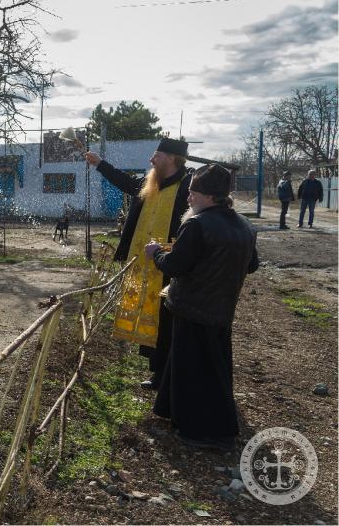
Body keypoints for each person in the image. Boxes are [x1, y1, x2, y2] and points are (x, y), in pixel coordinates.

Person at [145, 164, 259, 450]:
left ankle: (203, 431)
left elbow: (175, 266)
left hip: (192, 308)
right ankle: (172, 410)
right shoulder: (245, 226)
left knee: (195, 372)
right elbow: (252, 265)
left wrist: (155, 253)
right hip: (221, 310)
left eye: (192, 193)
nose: (188, 198)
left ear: (209, 196)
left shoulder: (197, 224)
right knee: (211, 367)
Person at [86, 137, 191, 389]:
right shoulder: (150, 182)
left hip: (170, 264)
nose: (151, 159)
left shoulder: (187, 186)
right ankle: (157, 372)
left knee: (167, 320)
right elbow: (125, 182)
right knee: (149, 316)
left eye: (157, 155)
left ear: (172, 158)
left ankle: (168, 373)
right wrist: (100, 163)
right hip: (144, 262)